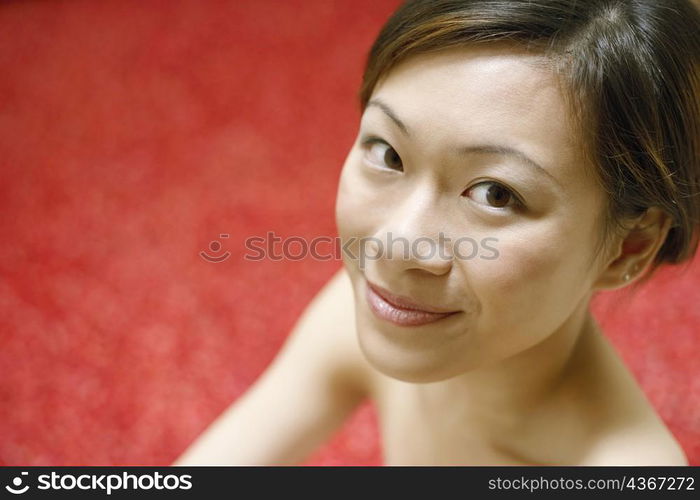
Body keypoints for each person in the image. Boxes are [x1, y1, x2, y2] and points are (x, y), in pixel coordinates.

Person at [174, 0, 699, 465]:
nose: (395, 244)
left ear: (629, 245)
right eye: (388, 154)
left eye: (495, 193)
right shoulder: (375, 309)